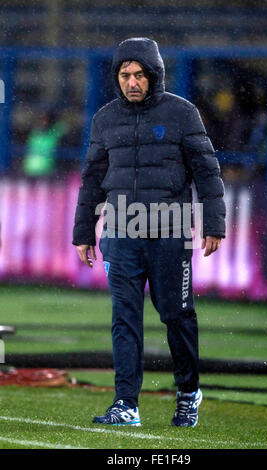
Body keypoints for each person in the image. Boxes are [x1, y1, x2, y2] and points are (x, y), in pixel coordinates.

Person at [72, 38, 226, 427]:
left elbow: (207, 173)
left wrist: (213, 224)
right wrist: (83, 232)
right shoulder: (104, 119)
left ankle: (189, 392)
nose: (132, 81)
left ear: (154, 75)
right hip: (121, 232)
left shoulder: (183, 113)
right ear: (117, 78)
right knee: (124, 317)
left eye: (139, 74)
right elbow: (91, 180)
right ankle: (127, 403)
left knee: (176, 315)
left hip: (170, 233)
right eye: (125, 75)